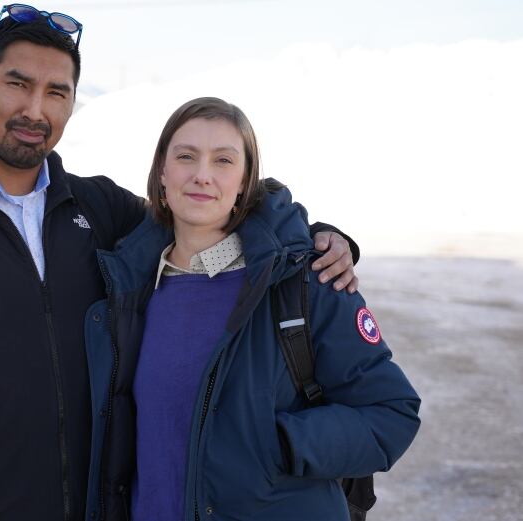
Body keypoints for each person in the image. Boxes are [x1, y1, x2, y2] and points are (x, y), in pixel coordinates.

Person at [0, 6, 360, 521]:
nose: (35, 110)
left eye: (57, 92)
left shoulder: (100, 209)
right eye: (17, 84)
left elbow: (207, 208)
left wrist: (313, 238)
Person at [83, 97, 421, 521]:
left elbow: (391, 412)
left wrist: (282, 442)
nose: (202, 175)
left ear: (245, 180)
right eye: (186, 156)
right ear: (162, 173)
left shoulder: (304, 281)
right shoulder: (131, 288)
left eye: (223, 160)